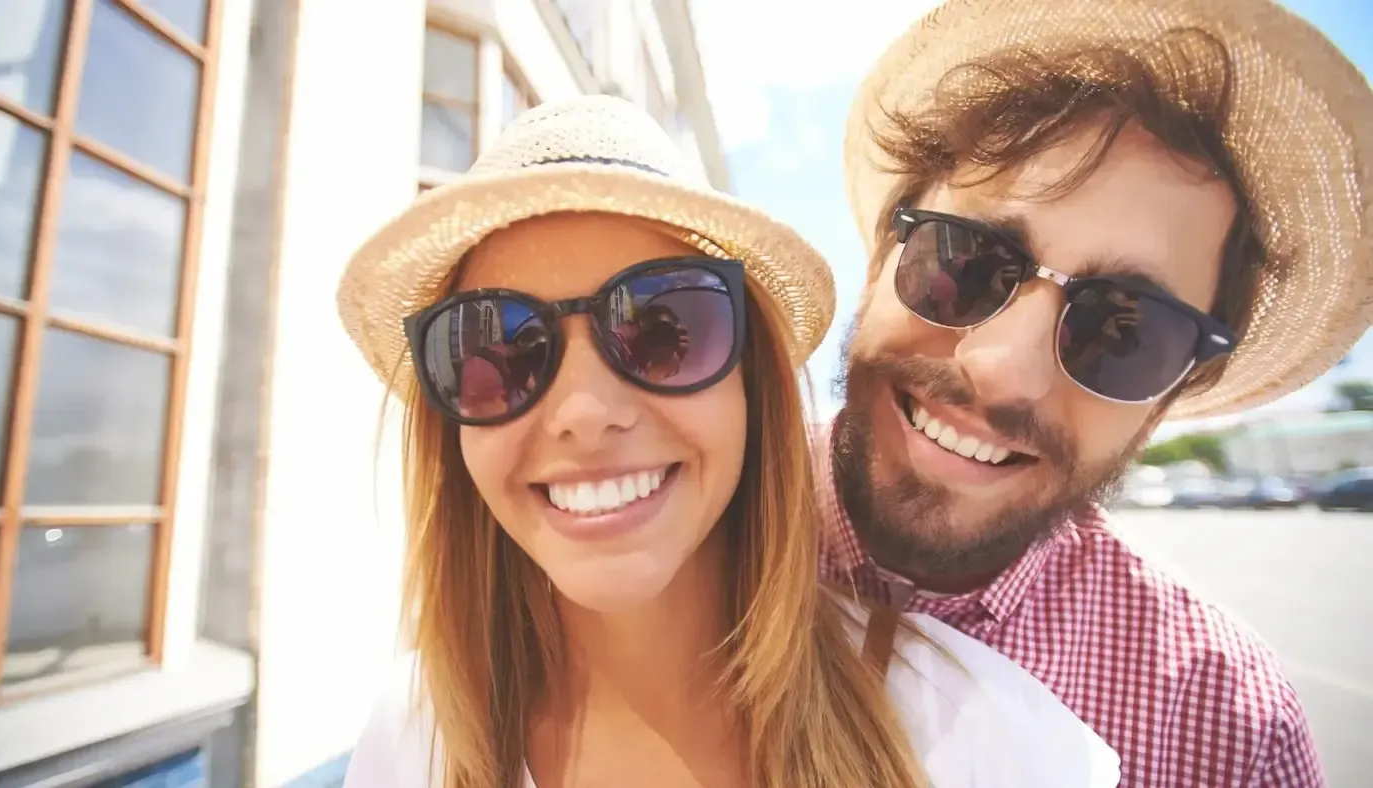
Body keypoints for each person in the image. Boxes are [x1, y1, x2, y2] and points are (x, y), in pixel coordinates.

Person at [337, 96, 1119, 787]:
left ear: (753, 383)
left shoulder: (1002, 750)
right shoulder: (411, 740)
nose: (583, 410)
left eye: (664, 330)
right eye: (498, 352)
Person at [824, 0, 1373, 786]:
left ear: (1179, 389)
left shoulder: (1227, 729)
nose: (1003, 368)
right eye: (966, 260)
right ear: (882, 262)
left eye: (1125, 331)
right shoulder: (654, 544)